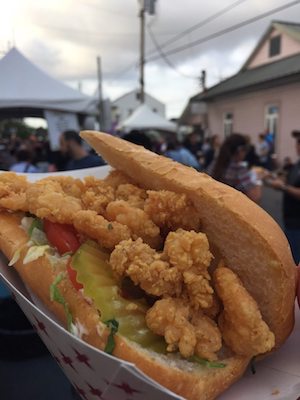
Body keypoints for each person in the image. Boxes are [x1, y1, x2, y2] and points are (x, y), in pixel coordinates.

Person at [266, 136, 300, 264]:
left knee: (295, 262)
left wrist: (283, 187)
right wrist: (275, 177)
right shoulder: (297, 164)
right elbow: (290, 179)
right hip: (289, 219)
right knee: (290, 253)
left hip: (298, 222)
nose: (296, 147)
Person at [210, 133, 261, 203]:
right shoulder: (239, 169)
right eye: (245, 149)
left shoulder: (215, 163)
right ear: (239, 150)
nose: (246, 153)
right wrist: (258, 179)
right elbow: (255, 197)